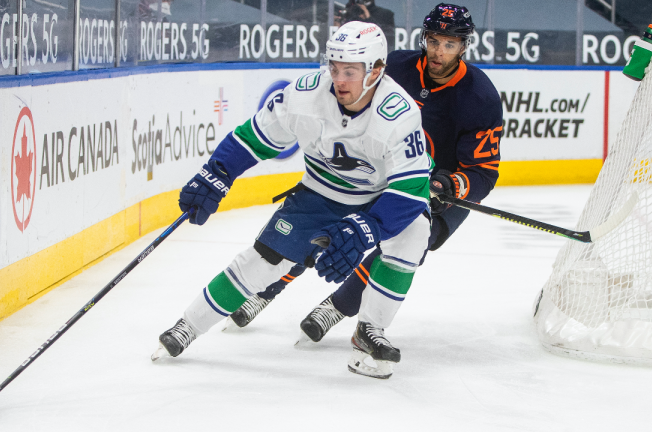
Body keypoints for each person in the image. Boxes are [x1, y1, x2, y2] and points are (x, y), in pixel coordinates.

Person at [152, 21, 433, 379]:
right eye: (334, 68)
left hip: (378, 199)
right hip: (320, 193)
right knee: (264, 263)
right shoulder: (304, 95)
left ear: (376, 71)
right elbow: (253, 137)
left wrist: (369, 228)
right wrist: (218, 172)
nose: (339, 80)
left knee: (415, 232)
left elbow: (410, 189)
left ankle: (370, 329)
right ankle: (188, 325)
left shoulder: (399, 112)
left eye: (350, 71)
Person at [227, 3, 503, 344]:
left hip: (439, 187)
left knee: (409, 242)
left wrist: (448, 183)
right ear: (425, 39)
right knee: (323, 223)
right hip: (383, 170)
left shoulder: (480, 97)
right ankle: (264, 292)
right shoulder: (394, 67)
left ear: (463, 46)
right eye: (434, 41)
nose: (438, 52)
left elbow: (484, 172)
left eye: (449, 45)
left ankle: (338, 307)